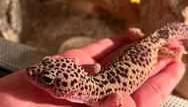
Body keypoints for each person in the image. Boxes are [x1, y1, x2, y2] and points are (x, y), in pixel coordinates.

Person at [0, 34, 185, 107]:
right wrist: (77, 69)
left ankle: (172, 50)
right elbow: (95, 67)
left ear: (71, 91)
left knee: (167, 52)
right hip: (140, 50)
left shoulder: (100, 98)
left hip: (150, 50)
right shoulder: (90, 86)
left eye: (47, 79)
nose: (31, 71)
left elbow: (118, 95)